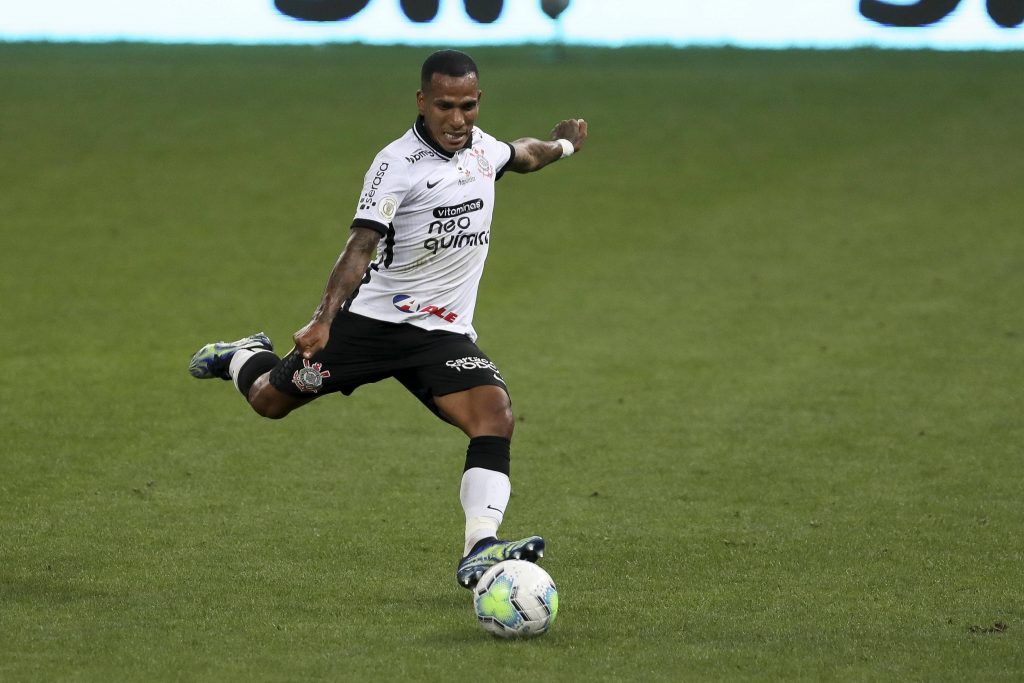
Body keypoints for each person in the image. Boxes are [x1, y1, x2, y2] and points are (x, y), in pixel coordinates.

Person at [188, 49, 588, 589]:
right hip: (371, 325)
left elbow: (526, 155)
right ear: (422, 102)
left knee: (494, 416)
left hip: (441, 333)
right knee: (269, 400)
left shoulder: (483, 150)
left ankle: (481, 547)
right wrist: (324, 320)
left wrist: (562, 144)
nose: (457, 119)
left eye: (467, 106)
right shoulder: (396, 164)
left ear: (478, 102)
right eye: (444, 106)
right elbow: (359, 247)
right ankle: (240, 353)